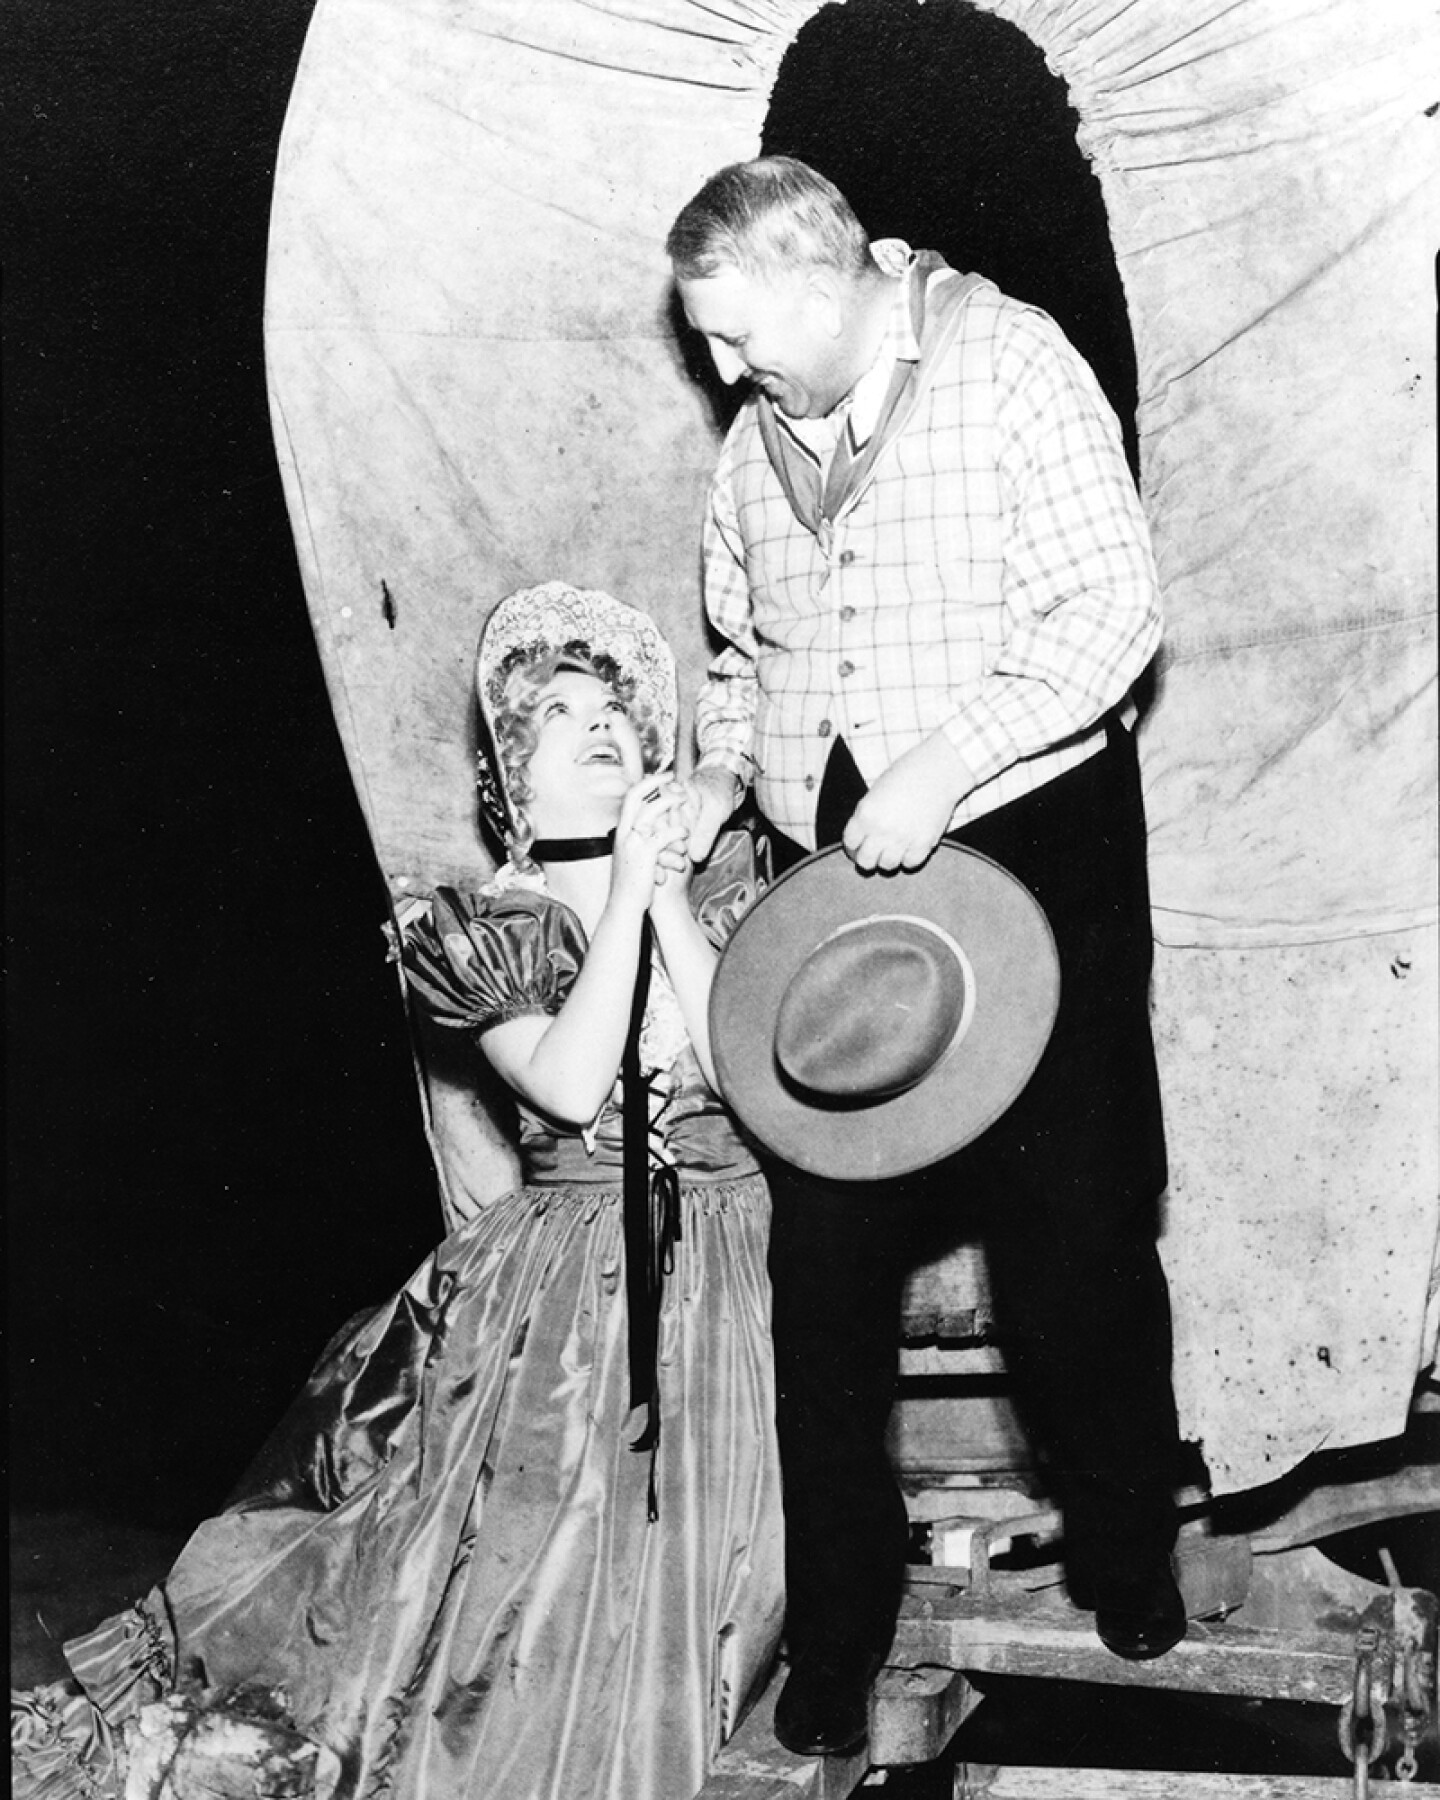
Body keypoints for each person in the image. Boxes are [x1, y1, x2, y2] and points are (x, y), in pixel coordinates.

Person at [13, 583, 784, 1800]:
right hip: (571, 1293)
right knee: (535, 1598)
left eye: (616, 716)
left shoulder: (725, 890)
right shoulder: (486, 925)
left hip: (735, 1268)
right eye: (559, 716)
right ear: (512, 787)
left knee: (718, 1580)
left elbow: (748, 1079)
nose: (599, 726)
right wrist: (630, 894)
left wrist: (673, 893)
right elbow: (572, 1084)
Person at [665, 156, 1187, 1757]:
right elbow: (743, 648)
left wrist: (946, 764)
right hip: (840, 908)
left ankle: (1124, 1552)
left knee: (1076, 1245)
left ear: (824, 278)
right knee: (822, 1278)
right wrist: (723, 772)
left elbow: (1113, 614)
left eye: (740, 336)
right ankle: (839, 1634)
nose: (723, 373)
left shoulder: (1011, 364)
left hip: (1030, 858)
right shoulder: (755, 445)